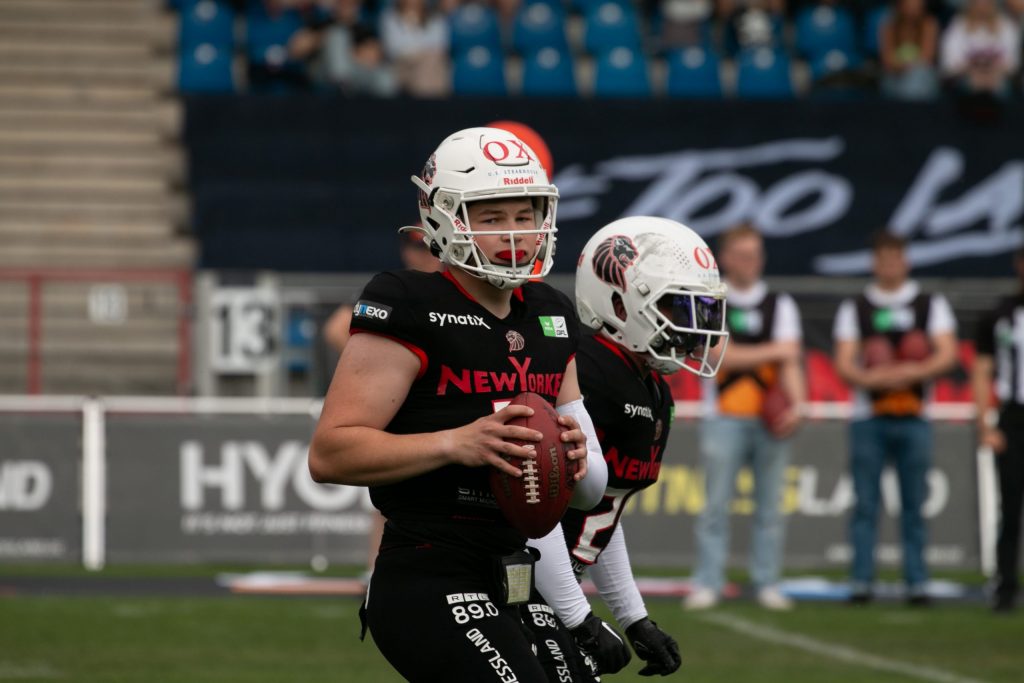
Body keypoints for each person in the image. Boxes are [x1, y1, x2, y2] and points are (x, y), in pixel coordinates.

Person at [308, 127, 608, 682]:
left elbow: (589, 488)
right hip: (428, 566)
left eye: (524, 215)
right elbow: (330, 454)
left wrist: (574, 455)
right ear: (442, 217)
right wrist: (457, 442)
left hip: (518, 570)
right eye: (490, 218)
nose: (513, 235)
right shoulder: (407, 301)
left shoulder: (552, 310)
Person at [527, 216, 730, 677]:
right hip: (518, 589)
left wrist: (634, 618)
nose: (692, 327)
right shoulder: (587, 374)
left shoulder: (649, 386)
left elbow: (600, 510)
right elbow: (530, 505)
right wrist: (578, 618)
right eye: (678, 308)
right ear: (618, 301)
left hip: (554, 593)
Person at [832, 231, 958, 605]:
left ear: (905, 261)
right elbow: (845, 360)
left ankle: (917, 581)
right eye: (883, 259)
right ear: (875, 262)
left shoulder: (929, 303)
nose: (890, 265)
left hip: (915, 415)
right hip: (868, 415)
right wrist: (872, 378)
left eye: (895, 258)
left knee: (913, 503)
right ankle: (861, 580)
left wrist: (908, 373)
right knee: (865, 503)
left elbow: (946, 353)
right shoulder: (856, 306)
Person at [684, 224, 805, 612]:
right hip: (723, 415)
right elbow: (718, 356)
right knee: (715, 506)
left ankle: (767, 580)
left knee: (770, 507)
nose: (749, 262)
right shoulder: (709, 299)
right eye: (741, 254)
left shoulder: (780, 303)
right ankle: (708, 580)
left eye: (754, 254)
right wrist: (775, 351)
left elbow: (792, 361)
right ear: (725, 257)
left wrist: (799, 404)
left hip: (769, 418)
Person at [321, 229, 442, 579]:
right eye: (413, 245)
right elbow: (336, 328)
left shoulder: (456, 287)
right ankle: (377, 566)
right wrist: (388, 366)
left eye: (426, 246)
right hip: (410, 403)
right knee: (393, 490)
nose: (420, 254)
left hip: (444, 400)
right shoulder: (397, 289)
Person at [971, 248, 1024, 614]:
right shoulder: (999, 315)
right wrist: (984, 423)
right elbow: (981, 371)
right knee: (1011, 506)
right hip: (1013, 417)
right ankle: (1005, 585)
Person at [939, 0, 1021, 96]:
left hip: (998, 78)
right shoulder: (958, 25)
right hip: (966, 77)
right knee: (970, 84)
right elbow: (949, 65)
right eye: (978, 2)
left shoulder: (1006, 25)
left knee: (1000, 85)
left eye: (986, 2)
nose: (982, 6)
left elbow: (1013, 64)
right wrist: (973, 71)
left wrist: (993, 72)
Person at [880, 0, 940, 100]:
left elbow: (927, 57)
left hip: (921, 73)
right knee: (889, 79)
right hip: (895, 73)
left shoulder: (930, 24)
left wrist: (908, 66)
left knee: (916, 77)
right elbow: (887, 59)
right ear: (900, 5)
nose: (913, 8)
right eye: (909, 4)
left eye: (916, 4)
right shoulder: (888, 25)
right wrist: (901, 66)